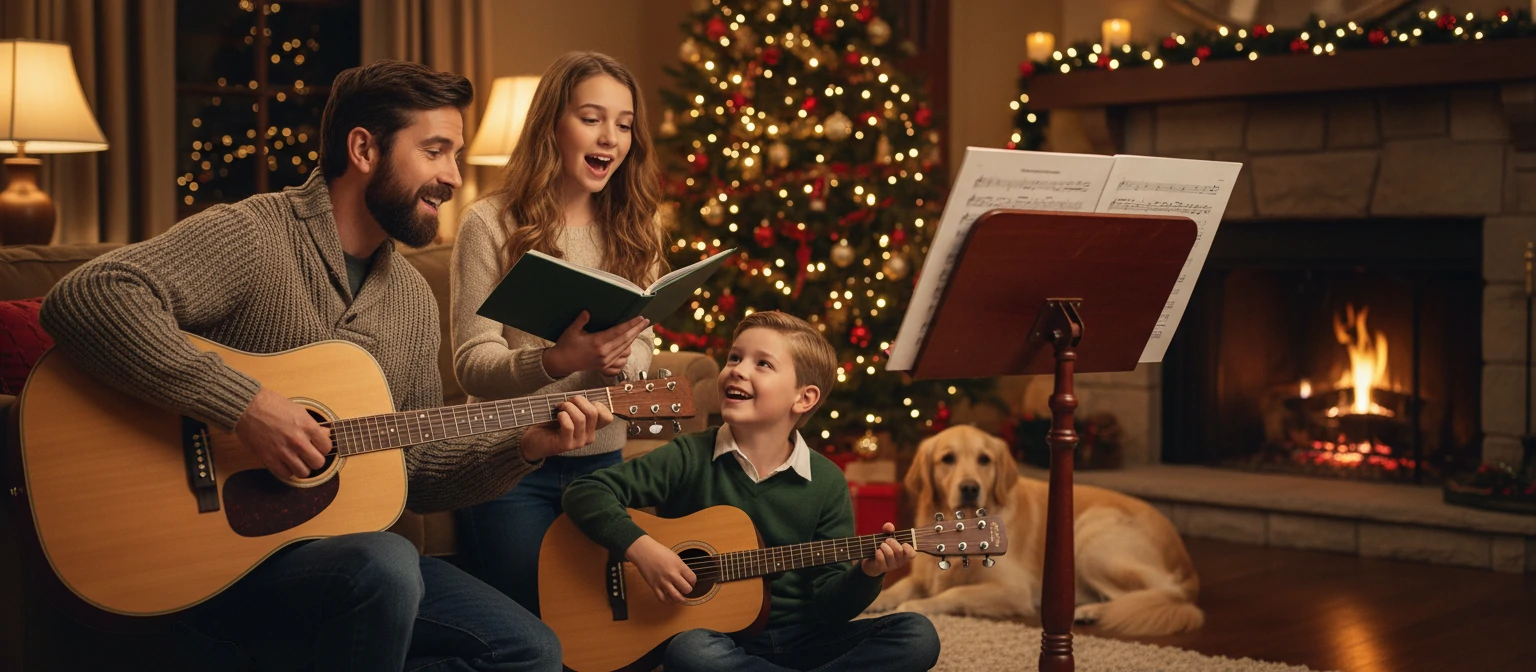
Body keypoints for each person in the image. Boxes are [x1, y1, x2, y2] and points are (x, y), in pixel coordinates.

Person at [39, 59, 601, 671]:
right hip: (212, 559)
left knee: (530, 652)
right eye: (434, 151)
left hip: (337, 562)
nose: (452, 177)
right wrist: (247, 407)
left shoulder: (411, 297)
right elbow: (89, 295)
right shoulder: (256, 235)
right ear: (363, 148)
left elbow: (413, 471)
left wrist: (522, 448)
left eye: (454, 155)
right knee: (386, 564)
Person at [561, 311, 942, 672]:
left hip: (806, 640)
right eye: (735, 358)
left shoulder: (826, 482)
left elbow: (830, 608)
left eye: (762, 364)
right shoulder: (689, 456)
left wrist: (869, 572)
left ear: (803, 398)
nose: (737, 370)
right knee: (690, 652)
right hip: (722, 642)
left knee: (917, 636)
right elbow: (587, 490)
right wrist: (641, 549)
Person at [450, 51, 666, 615]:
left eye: (623, 125)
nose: (610, 138)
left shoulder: (636, 227)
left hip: (600, 462)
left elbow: (643, 339)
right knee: (539, 625)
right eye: (592, 118)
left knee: (606, 626)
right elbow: (472, 363)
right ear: (553, 124)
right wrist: (558, 359)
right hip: (506, 463)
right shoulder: (489, 223)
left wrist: (626, 362)